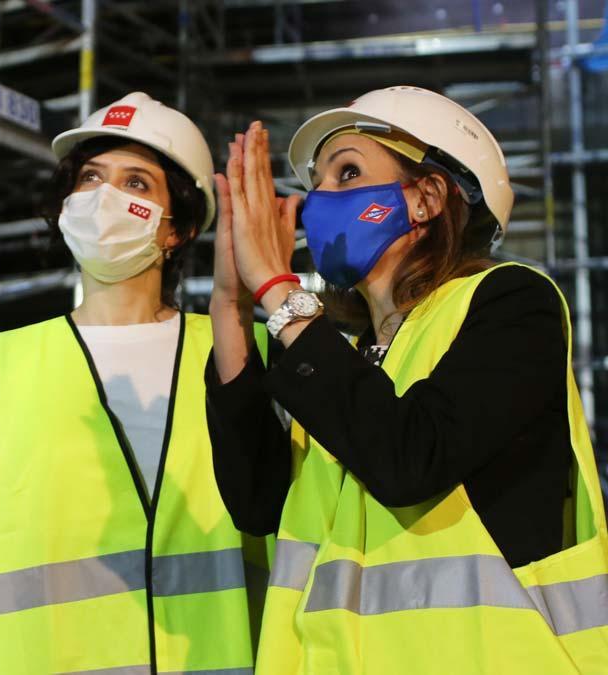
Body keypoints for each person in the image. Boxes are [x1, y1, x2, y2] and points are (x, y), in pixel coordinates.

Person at [208, 85, 608, 673]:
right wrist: (230, 304)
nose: (319, 200)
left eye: (346, 173)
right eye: (315, 183)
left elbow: (409, 458)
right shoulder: (348, 356)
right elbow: (258, 502)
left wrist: (278, 289)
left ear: (424, 199)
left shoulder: (513, 302)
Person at [0, 92, 267, 674]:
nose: (104, 197)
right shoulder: (6, 365)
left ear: (177, 229)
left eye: (136, 183)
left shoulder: (241, 352)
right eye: (90, 177)